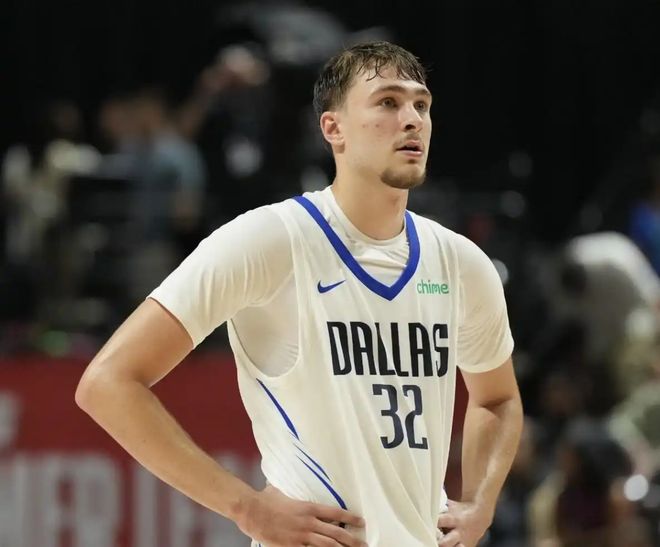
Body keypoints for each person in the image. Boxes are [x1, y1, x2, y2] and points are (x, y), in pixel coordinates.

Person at [75, 41, 523, 547]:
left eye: (421, 105)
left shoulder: (461, 263)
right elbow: (108, 383)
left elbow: (498, 398)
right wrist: (245, 507)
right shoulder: (271, 240)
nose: (412, 119)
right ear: (333, 129)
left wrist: (480, 505)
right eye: (388, 102)